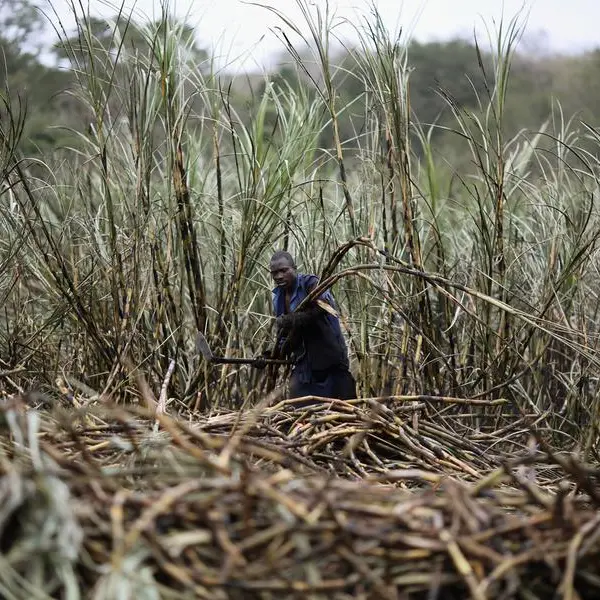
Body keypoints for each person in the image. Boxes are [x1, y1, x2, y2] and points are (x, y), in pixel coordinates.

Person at [259, 250, 357, 401]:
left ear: (294, 268)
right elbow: (287, 337)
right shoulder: (278, 298)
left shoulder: (310, 283)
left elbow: (322, 308)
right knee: (299, 416)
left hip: (330, 363)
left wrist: (292, 319)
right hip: (304, 367)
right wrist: (269, 356)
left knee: (342, 413)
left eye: (284, 271)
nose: (279, 276)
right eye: (274, 273)